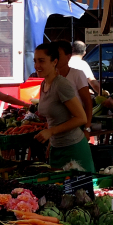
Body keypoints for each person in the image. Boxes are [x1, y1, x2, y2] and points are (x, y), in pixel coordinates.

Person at [33, 42, 94, 173]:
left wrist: (51, 132)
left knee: (80, 192)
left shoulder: (61, 85)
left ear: (54, 62)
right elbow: (54, 119)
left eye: (41, 61)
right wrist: (51, 140)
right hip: (56, 148)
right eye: (35, 61)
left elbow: (81, 118)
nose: (37, 66)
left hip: (74, 148)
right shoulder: (44, 84)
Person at [55, 40, 94, 134]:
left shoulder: (77, 74)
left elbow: (88, 103)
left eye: (58, 55)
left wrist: (87, 128)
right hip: (55, 127)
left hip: (75, 126)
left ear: (68, 57)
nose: (55, 58)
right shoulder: (50, 77)